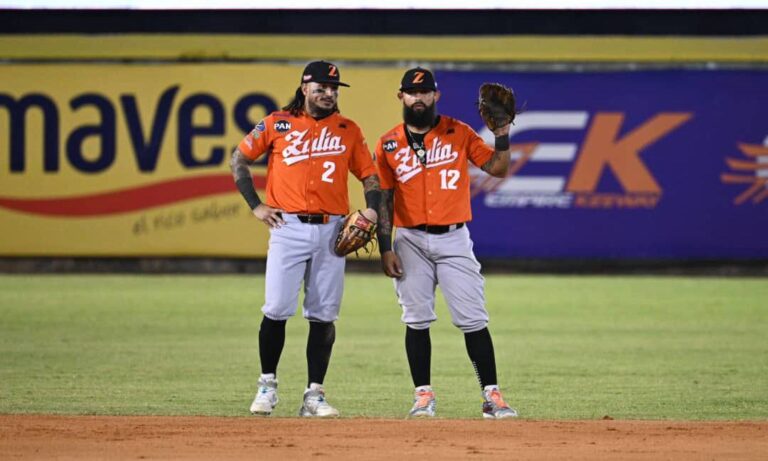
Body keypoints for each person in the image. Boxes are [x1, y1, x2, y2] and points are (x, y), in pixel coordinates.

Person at [230, 60, 380, 417]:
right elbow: (239, 159)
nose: (328, 93)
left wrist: (372, 210)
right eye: (322, 87)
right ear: (304, 87)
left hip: (332, 229)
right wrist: (256, 206)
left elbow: (370, 176)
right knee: (277, 309)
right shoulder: (277, 123)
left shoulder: (347, 129)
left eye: (333, 88)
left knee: (324, 315)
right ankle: (267, 386)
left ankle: (314, 395)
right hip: (288, 228)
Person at [374, 67, 517, 419]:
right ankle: (423, 396)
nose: (418, 98)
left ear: (436, 96)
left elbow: (497, 169)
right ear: (401, 96)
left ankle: (491, 396)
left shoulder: (459, 132)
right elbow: (384, 200)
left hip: (454, 237)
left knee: (473, 318)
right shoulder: (388, 143)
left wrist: (501, 134)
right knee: (416, 319)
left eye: (425, 92)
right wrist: (385, 247)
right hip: (409, 240)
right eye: (411, 91)